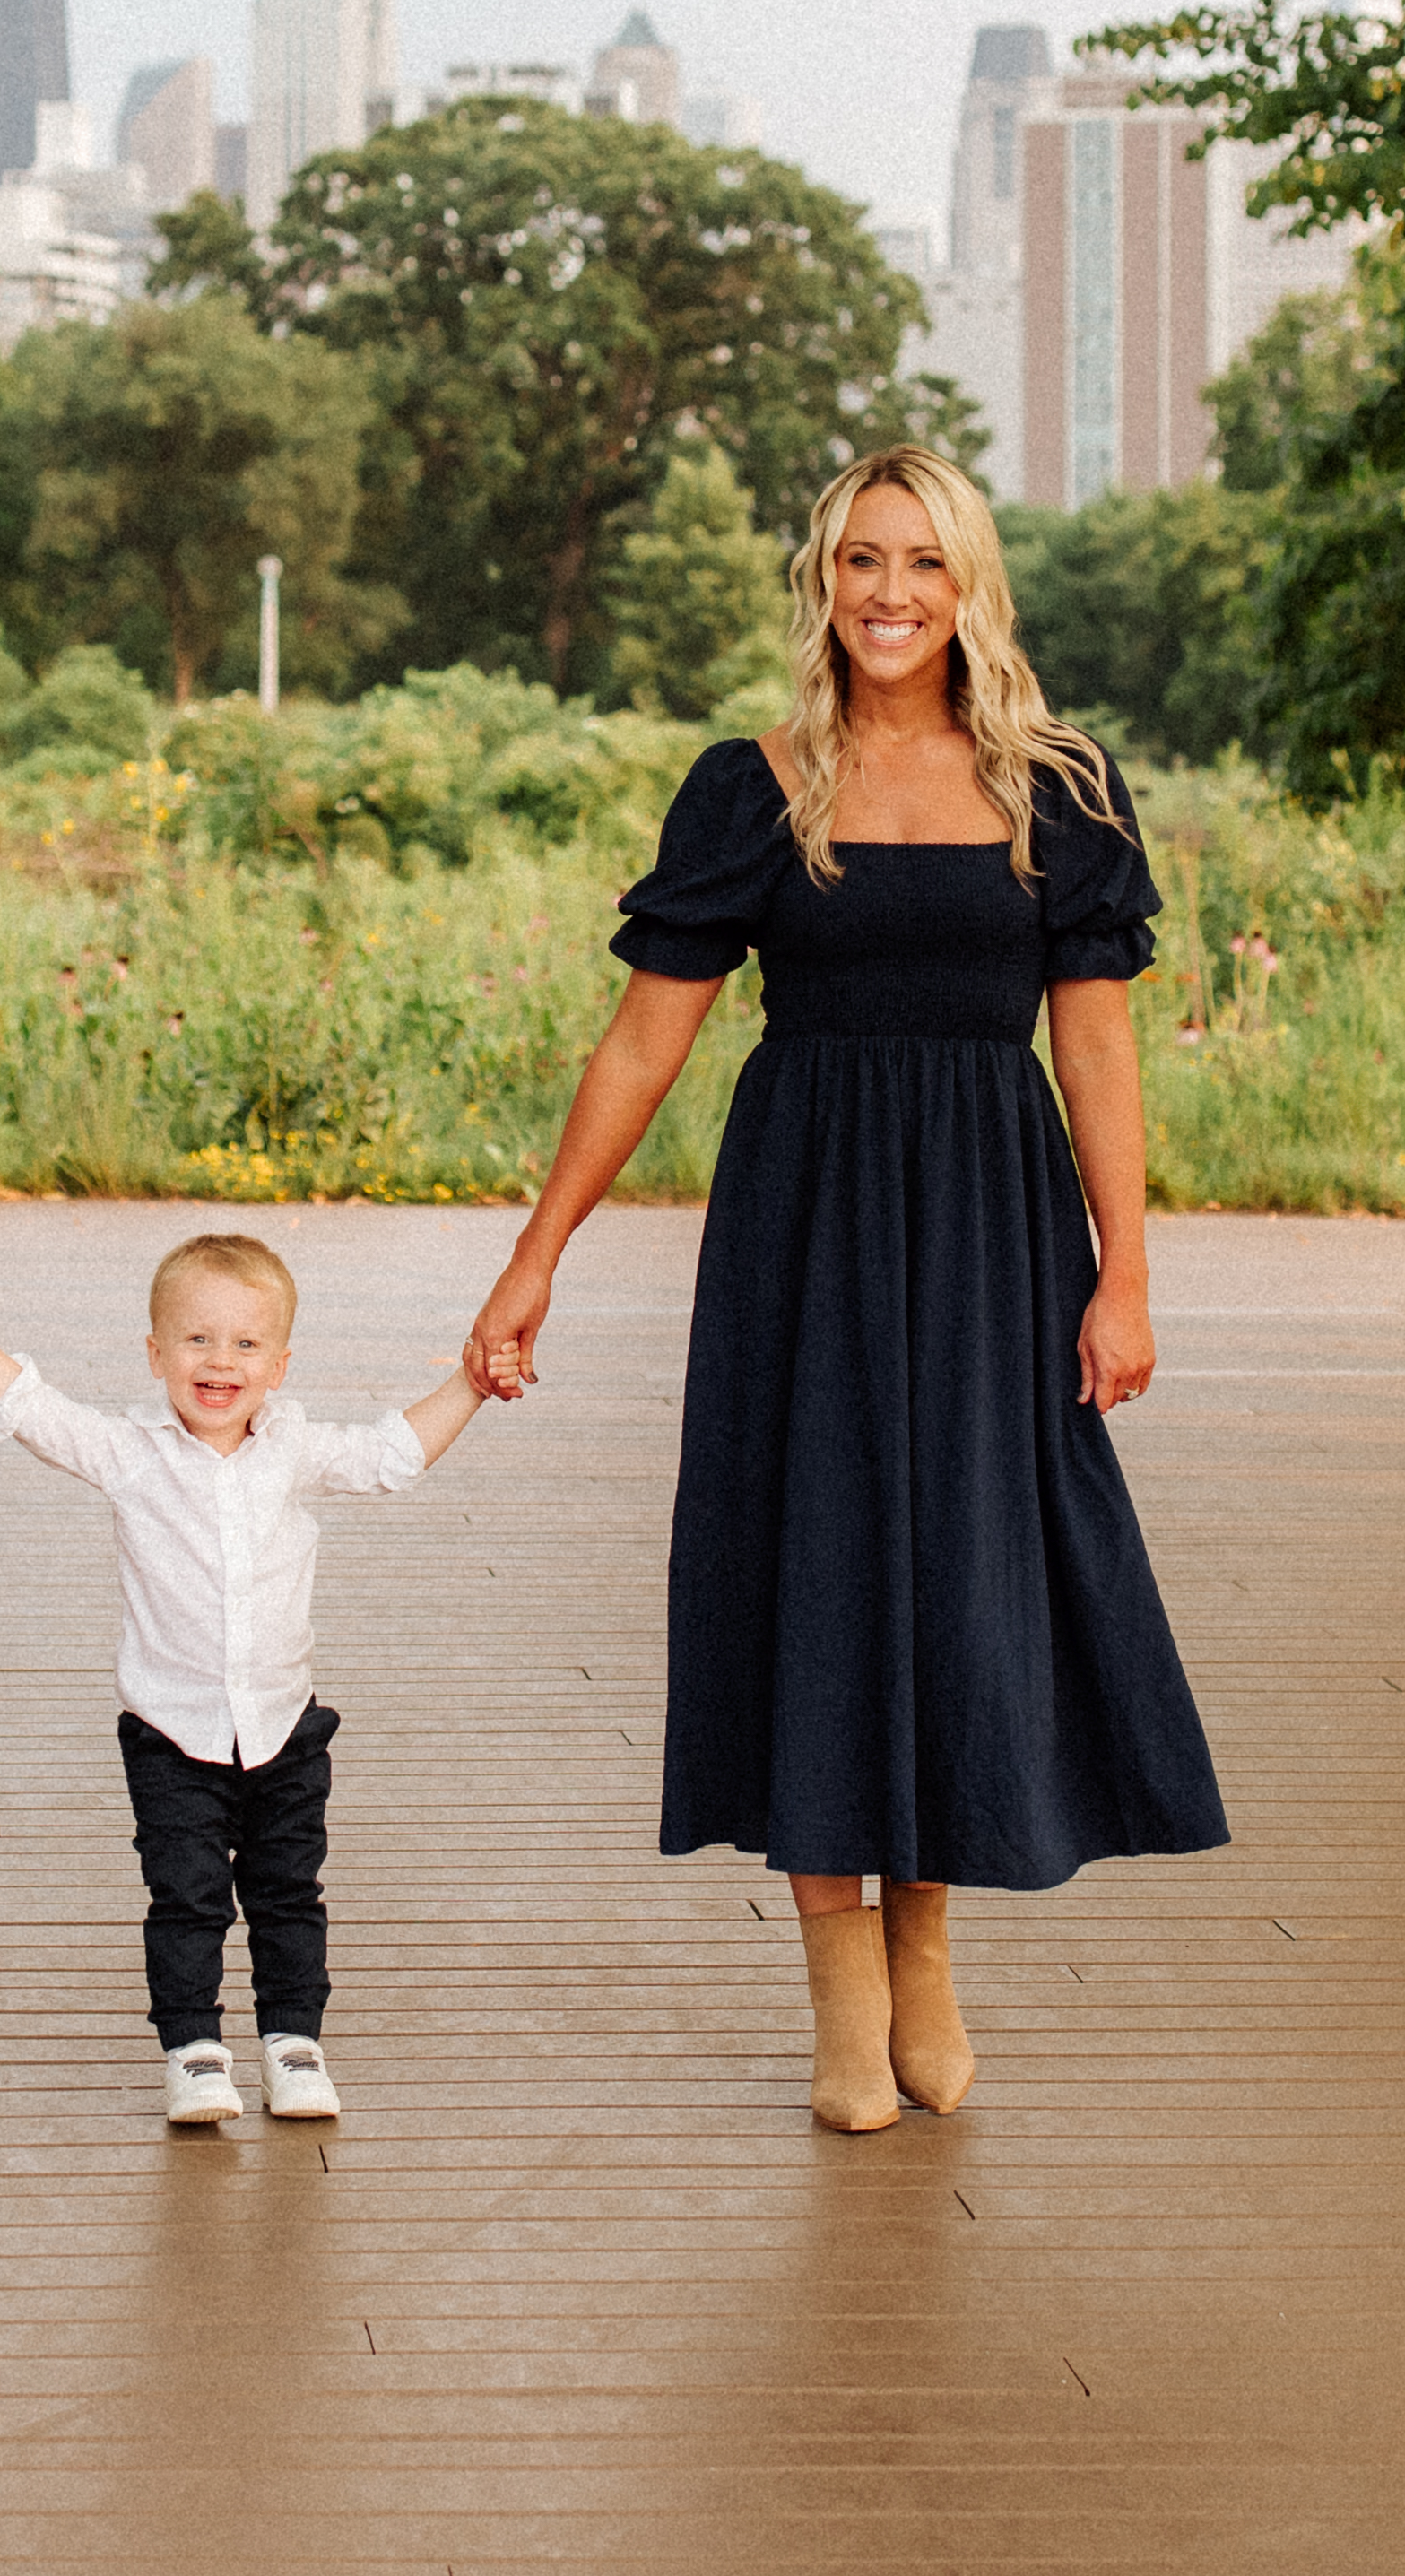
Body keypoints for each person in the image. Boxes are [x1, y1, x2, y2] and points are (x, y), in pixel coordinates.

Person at [462, 441, 1223, 2129]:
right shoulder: (753, 782)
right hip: (800, 1225)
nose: (887, 593)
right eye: (859, 560)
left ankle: (926, 1945)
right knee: (809, 1567)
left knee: (961, 1573)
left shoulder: (1059, 786)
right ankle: (834, 1985)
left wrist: (1125, 1276)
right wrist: (535, 1259)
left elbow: (1096, 1047)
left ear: (970, 590)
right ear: (822, 579)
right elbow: (642, 1040)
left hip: (990, 1229)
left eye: (921, 564)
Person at [0, 1232, 487, 2128]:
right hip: (171, 1732)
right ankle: (192, 2050)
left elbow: (392, 1455)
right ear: (155, 1354)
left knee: (287, 1893)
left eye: (245, 1344)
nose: (219, 1360)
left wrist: (470, 1382)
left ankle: (293, 2042)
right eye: (195, 1340)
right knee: (185, 1896)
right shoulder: (128, 1453)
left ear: (279, 1364)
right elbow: (32, 1409)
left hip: (282, 1728)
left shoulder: (292, 1451)